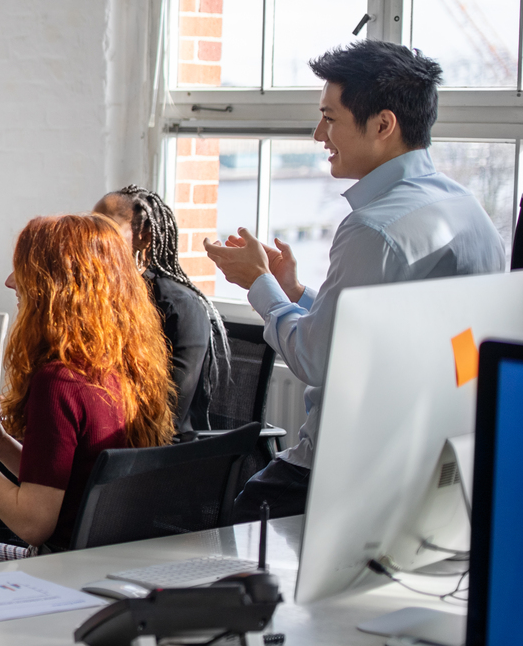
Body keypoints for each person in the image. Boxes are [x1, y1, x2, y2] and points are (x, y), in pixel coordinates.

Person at [206, 41, 504, 518]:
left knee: (230, 522)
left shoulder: (375, 228)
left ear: (383, 125)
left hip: (345, 475)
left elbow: (318, 358)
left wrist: (258, 285)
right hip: (435, 470)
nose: (319, 133)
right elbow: (381, 328)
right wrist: (295, 294)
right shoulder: (465, 210)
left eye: (330, 117)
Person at [0, 215, 175, 551]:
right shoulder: (123, 366)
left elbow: (32, 523)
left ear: (57, 286)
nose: (9, 282)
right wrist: (0, 445)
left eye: (24, 270)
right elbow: (72, 482)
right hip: (112, 561)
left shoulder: (59, 382)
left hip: (59, 571)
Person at [92, 186, 228, 433]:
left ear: (145, 235)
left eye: (106, 229)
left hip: (163, 451)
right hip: (110, 436)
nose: (94, 238)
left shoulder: (180, 306)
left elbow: (167, 413)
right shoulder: (102, 296)